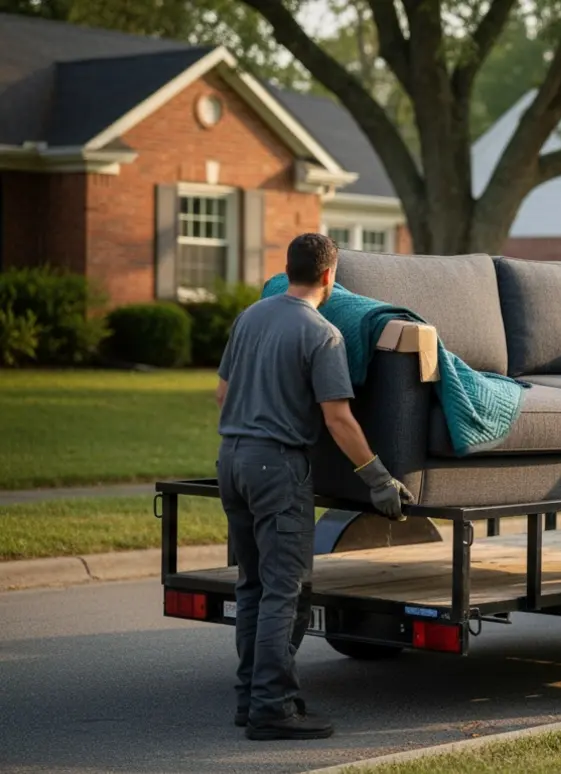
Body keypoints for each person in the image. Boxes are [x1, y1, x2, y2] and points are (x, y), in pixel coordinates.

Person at [215, 233, 412, 740]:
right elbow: (338, 419)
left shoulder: (249, 318)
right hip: (276, 470)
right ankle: (273, 709)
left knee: (253, 585)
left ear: (288, 270)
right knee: (285, 590)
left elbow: (221, 393)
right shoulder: (323, 334)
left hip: (231, 460)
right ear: (329, 275)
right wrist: (378, 478)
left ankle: (250, 700)